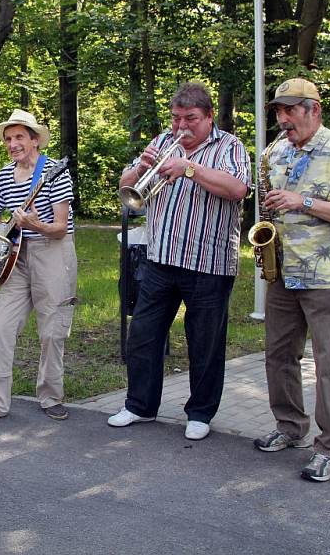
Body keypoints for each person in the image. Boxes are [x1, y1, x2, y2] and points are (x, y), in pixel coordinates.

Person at [109, 82, 250, 440]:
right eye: (175, 118)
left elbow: (237, 190)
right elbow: (126, 184)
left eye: (190, 119)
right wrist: (139, 168)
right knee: (142, 335)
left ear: (208, 117)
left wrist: (190, 168)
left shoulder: (229, 146)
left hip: (209, 262)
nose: (181, 127)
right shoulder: (160, 142)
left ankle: (200, 413)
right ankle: (139, 406)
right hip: (160, 257)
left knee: (204, 342)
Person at [253, 78, 330, 482]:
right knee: (279, 354)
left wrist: (302, 201)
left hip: (328, 275)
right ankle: (290, 426)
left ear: (314, 110)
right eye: (279, 112)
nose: (283, 119)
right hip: (283, 270)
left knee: (328, 365)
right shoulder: (277, 151)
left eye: (290, 110)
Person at [0, 109, 77, 424]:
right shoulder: (4, 174)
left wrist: (35, 225)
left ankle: (51, 396)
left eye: (19, 137)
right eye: (8, 139)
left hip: (52, 250)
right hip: (13, 254)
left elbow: (60, 227)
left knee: (52, 329)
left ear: (34, 140)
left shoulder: (54, 172)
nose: (13, 144)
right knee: (1, 326)